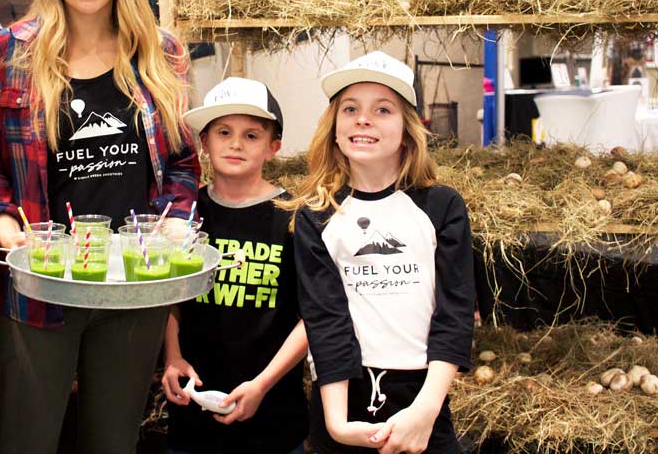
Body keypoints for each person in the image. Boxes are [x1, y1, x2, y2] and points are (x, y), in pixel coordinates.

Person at [0, 0, 200, 453]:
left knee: (113, 440)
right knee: (25, 438)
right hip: (41, 283)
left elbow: (184, 163)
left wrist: (175, 221)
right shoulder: (10, 51)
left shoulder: (160, 53)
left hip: (133, 284)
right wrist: (1, 224)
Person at [287, 51, 475, 454]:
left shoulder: (441, 207)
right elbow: (325, 320)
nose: (363, 119)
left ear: (407, 130)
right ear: (335, 130)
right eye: (350, 109)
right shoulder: (316, 217)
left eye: (382, 109)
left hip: (422, 396)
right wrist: (338, 426)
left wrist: (425, 411)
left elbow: (454, 314)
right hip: (343, 396)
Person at [162, 77, 309, 454]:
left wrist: (262, 384)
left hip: (274, 417)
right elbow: (168, 298)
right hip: (192, 415)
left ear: (273, 147)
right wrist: (173, 357)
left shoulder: (294, 218)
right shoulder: (185, 217)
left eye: (251, 135)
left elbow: (313, 316)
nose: (235, 144)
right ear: (204, 143)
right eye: (223, 132)